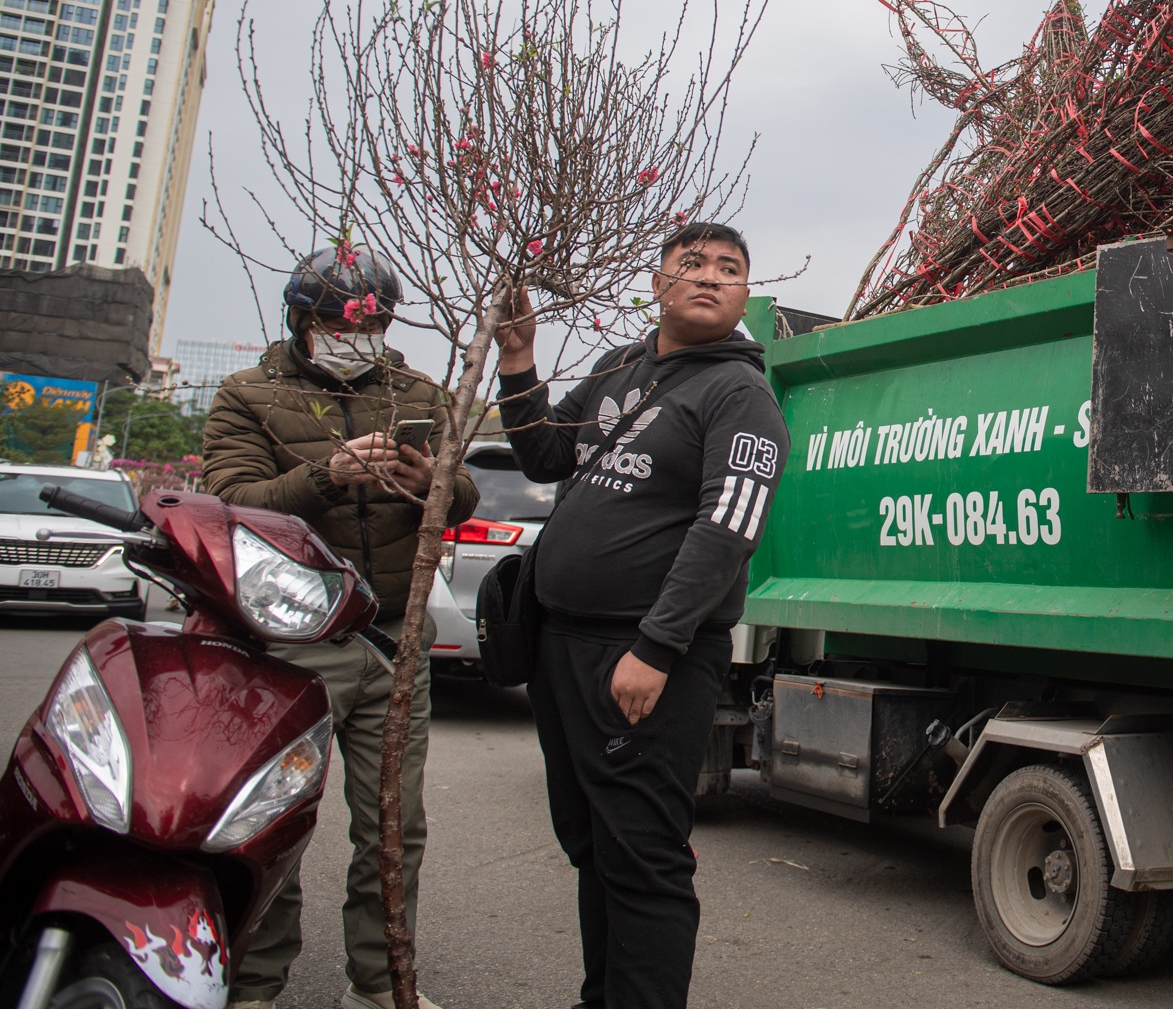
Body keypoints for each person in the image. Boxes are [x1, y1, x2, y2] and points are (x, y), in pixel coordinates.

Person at [494, 222, 788, 1009]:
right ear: (657, 282)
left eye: (730, 268)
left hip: (648, 657)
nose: (710, 276)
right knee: (592, 843)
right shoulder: (618, 368)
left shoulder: (741, 395)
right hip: (561, 647)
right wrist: (518, 360)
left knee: (643, 855)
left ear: (744, 296)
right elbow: (545, 456)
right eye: (691, 262)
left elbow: (728, 527)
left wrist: (656, 647)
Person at [204, 247, 478, 1009]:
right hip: (290, 642)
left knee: (393, 823)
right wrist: (329, 475)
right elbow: (229, 501)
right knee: (272, 817)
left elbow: (461, 495)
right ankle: (255, 981)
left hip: (394, 635)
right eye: (335, 320)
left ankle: (383, 981)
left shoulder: (418, 390)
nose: (354, 333)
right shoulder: (247, 393)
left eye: (372, 322)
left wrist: (437, 484)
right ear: (301, 320)